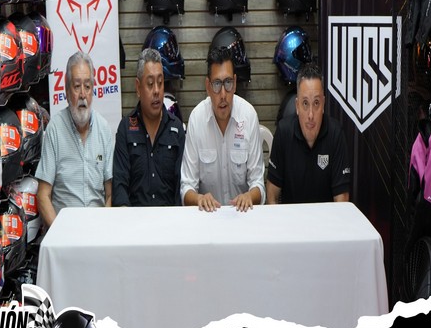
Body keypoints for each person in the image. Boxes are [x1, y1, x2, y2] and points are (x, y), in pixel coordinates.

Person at [180, 46, 265, 212]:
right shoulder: (197, 119)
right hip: (207, 217)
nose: (223, 94)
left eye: (228, 83)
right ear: (208, 86)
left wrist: (249, 196)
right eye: (217, 84)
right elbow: (186, 187)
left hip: (242, 215)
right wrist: (199, 199)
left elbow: (258, 184)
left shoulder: (249, 116)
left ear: (235, 83)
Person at [35, 51, 114, 227]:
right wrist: (59, 233)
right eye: (77, 86)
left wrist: (104, 229)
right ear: (66, 90)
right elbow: (43, 195)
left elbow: (110, 194)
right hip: (64, 230)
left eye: (87, 86)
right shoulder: (55, 129)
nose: (83, 95)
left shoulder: (104, 129)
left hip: (97, 230)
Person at [266, 62, 351, 204]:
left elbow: (342, 199)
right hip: (291, 217)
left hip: (326, 217)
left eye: (316, 103)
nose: (311, 114)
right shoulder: (283, 132)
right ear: (297, 106)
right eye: (305, 103)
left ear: (323, 104)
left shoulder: (336, 134)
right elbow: (272, 194)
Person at [112, 48, 185, 206]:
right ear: (138, 88)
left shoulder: (176, 128)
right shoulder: (125, 129)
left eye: (160, 83)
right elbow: (119, 186)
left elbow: (182, 187)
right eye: (150, 84)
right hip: (134, 218)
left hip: (169, 218)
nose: (157, 91)